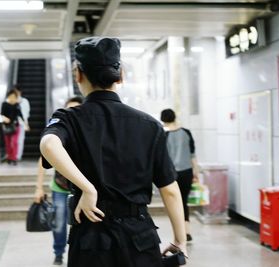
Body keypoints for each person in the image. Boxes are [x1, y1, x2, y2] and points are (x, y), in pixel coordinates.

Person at [40, 37, 187, 267]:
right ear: (121, 76)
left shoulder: (69, 118)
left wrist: (88, 189)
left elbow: (49, 144)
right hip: (141, 238)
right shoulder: (150, 125)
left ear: (78, 74)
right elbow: (169, 191)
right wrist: (180, 240)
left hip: (91, 238)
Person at [34, 96, 84, 266]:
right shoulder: (58, 132)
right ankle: (59, 252)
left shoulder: (88, 132)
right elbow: (43, 159)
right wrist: (38, 187)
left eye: (77, 109)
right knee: (60, 223)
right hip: (60, 187)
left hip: (82, 189)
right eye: (70, 109)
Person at [160, 109, 199, 242]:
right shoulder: (186, 132)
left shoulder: (164, 135)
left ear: (163, 119)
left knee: (175, 203)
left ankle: (179, 234)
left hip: (172, 174)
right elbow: (193, 155)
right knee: (184, 201)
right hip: (187, 172)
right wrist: (196, 172)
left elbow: (163, 158)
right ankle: (187, 232)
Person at [1, 89, 28, 165]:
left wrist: (26, 125)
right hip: (6, 126)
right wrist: (5, 119)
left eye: (14, 97)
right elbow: (2, 114)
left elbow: (21, 115)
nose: (12, 98)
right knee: (8, 143)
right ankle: (9, 157)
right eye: (11, 96)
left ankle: (14, 157)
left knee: (15, 142)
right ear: (8, 97)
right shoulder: (4, 104)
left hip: (16, 126)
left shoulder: (17, 105)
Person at [14, 85, 31, 161]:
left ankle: (18, 156)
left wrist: (26, 124)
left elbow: (26, 114)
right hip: (13, 123)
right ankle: (13, 155)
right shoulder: (11, 100)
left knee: (20, 140)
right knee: (13, 140)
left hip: (21, 123)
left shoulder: (25, 101)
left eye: (17, 91)